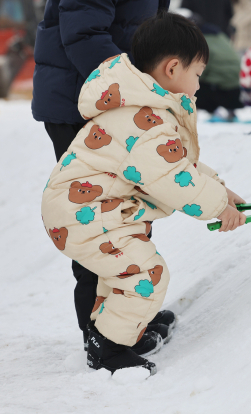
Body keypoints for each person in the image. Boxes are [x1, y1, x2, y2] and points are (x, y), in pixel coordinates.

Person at [41, 10, 247, 376]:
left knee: (120, 275)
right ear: (172, 69)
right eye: (197, 75)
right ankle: (107, 349)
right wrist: (218, 206)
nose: (199, 85)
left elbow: (176, 164)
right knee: (146, 274)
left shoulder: (144, 108)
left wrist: (221, 189)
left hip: (89, 209)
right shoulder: (144, 119)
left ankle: (122, 331)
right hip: (84, 214)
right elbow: (171, 178)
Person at [31, 0, 175, 355]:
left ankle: (124, 318)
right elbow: (83, 34)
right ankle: (101, 333)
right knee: (96, 221)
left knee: (126, 213)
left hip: (113, 102)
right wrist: (138, 89)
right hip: (83, 105)